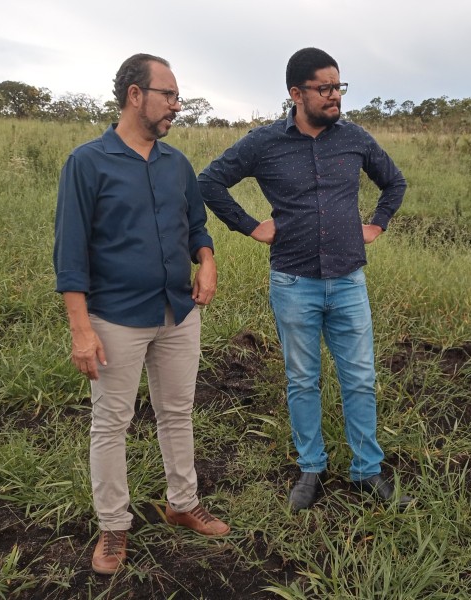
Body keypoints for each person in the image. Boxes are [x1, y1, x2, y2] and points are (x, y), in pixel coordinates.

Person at [198, 47, 412, 512]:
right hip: (294, 282)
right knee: (301, 379)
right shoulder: (264, 143)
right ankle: (311, 467)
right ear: (296, 93)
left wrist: (377, 223)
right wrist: (251, 225)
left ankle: (366, 470)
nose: (335, 96)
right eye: (325, 88)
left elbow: (394, 183)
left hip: (348, 280)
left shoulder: (354, 137)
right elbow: (209, 182)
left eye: (339, 86)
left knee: (359, 377)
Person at [54, 53, 229, 575]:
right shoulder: (88, 162)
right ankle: (113, 527)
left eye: (176, 96)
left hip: (178, 311)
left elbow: (196, 224)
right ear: (136, 95)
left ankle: (183, 502)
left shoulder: (176, 164)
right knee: (112, 422)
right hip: (115, 318)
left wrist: (207, 260)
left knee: (177, 412)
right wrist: (81, 329)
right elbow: (70, 254)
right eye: (169, 95)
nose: (177, 105)